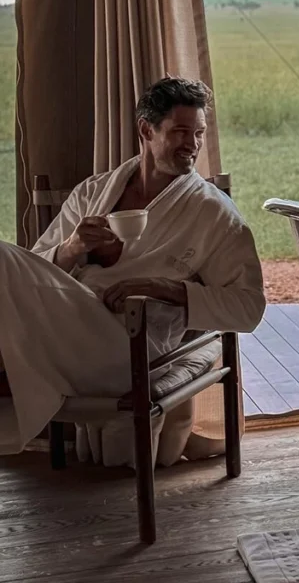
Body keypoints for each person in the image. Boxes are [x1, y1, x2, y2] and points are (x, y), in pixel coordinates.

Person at [0, 77, 266, 457]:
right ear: (146, 129)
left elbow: (249, 307)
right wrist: (73, 247)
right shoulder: (94, 192)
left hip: (134, 347)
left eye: (199, 133)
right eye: (180, 132)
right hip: (66, 334)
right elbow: (32, 271)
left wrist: (164, 287)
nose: (192, 145)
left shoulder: (213, 213)